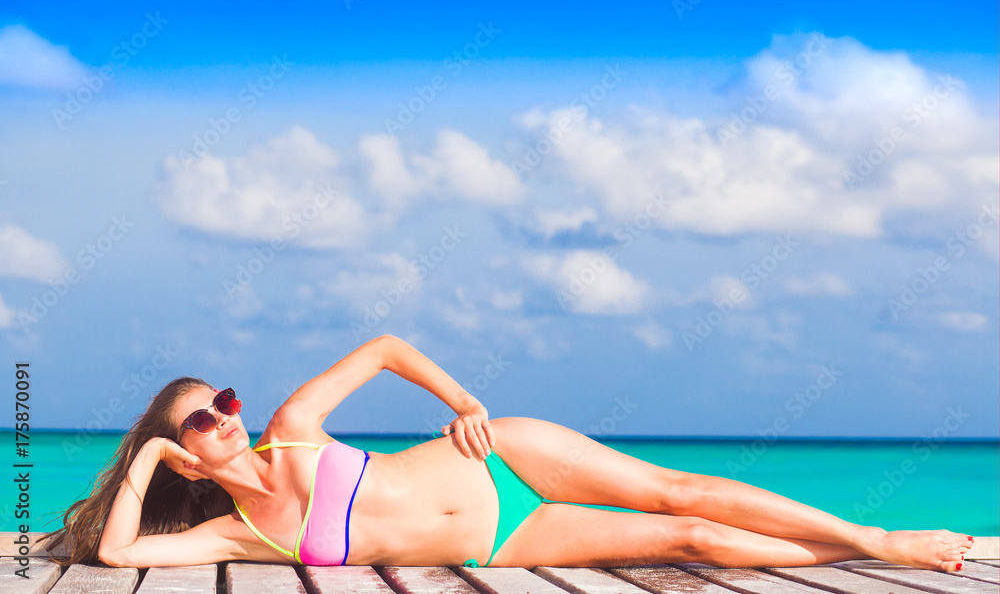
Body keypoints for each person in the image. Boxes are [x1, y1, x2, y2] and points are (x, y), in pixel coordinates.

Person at [42, 334, 973, 571]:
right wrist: (151, 459)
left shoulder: (292, 424)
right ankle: (870, 544)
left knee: (673, 487)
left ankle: (880, 541)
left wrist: (466, 400)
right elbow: (120, 551)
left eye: (224, 400)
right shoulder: (241, 535)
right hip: (502, 546)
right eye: (202, 420)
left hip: (500, 463)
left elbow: (384, 349)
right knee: (687, 536)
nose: (228, 417)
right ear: (185, 454)